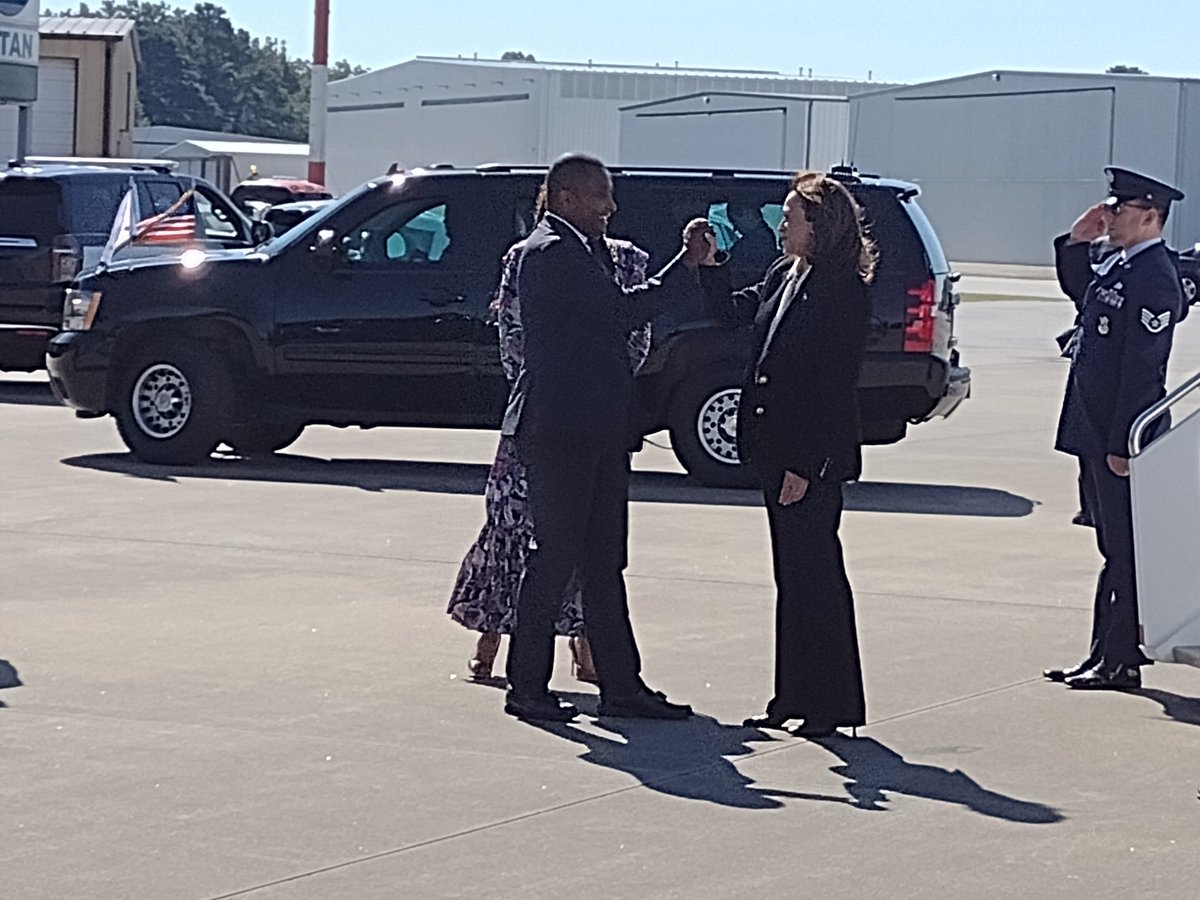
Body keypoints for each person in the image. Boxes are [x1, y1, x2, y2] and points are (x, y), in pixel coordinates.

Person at [501, 153, 710, 723]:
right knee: (555, 558)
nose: (610, 207)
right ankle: (527, 687)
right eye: (601, 196)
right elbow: (618, 314)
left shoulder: (582, 246)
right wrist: (683, 266)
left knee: (603, 561)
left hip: (598, 428)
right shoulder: (549, 253)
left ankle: (621, 687)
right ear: (566, 196)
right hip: (562, 431)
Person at [447, 193, 653, 685]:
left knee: (564, 543)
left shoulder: (624, 259)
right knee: (527, 536)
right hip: (551, 421)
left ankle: (580, 653)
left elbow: (517, 345)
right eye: (597, 195)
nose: (606, 206)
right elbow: (517, 339)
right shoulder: (531, 256)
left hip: (562, 417)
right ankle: (509, 648)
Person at [699, 171, 875, 738]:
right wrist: (710, 265)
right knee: (791, 577)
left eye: (791, 217)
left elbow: (832, 386)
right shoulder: (786, 273)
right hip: (775, 450)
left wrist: (807, 465)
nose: (780, 225)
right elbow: (732, 313)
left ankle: (830, 704)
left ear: (819, 227)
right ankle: (790, 695)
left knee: (816, 576)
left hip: (809, 458)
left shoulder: (843, 289)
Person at [1044, 166, 1185, 690]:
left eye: (1120, 209)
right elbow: (1082, 292)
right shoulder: (1122, 266)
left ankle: (1121, 660)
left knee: (1123, 550)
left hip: (1119, 437)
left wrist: (1125, 440)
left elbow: (1143, 368)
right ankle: (1103, 652)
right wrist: (1076, 240)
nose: (1111, 216)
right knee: (1110, 545)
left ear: (1151, 216)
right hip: (1094, 430)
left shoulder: (1153, 276)